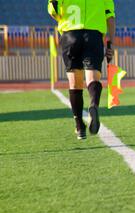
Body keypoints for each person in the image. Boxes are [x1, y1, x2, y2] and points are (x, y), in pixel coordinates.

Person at [48, 0, 116, 140]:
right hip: (93, 36)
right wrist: (110, 44)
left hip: (70, 35)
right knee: (92, 78)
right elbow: (110, 17)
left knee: (74, 83)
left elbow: (53, 11)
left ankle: (79, 126)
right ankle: (94, 105)